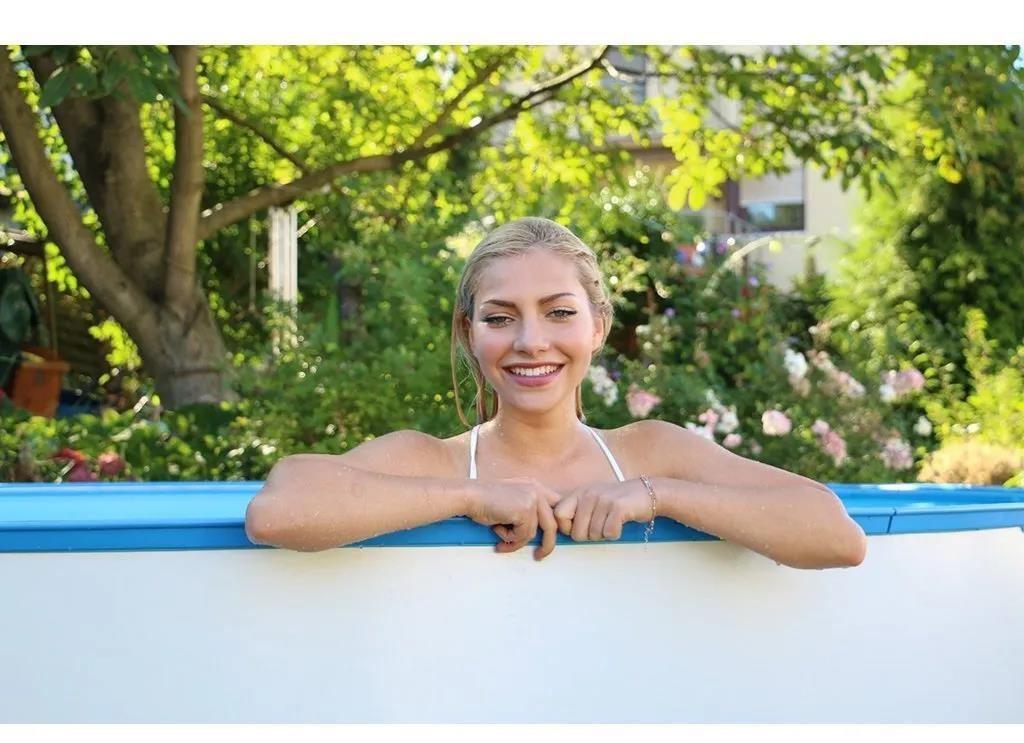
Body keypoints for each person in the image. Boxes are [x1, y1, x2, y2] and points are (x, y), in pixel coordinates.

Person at [245, 217, 867, 569]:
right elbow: (279, 509)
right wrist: (470, 496)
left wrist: (656, 494)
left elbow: (836, 534)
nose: (530, 341)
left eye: (559, 313)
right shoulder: (433, 463)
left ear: (598, 326)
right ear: (468, 333)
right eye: (499, 317)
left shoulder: (652, 453)